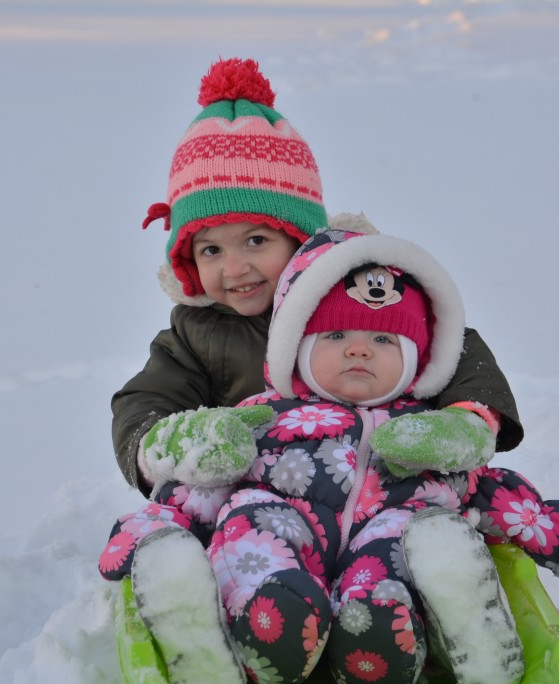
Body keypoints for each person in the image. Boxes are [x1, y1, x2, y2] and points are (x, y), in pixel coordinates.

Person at [101, 230, 559, 684]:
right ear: (295, 349)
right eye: (334, 336)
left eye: (383, 338)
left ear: (416, 361)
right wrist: (157, 523)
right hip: (284, 536)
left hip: (380, 549)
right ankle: (248, 621)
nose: (358, 349)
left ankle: (415, 628)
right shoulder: (264, 413)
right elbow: (204, 481)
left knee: (417, 536)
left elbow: (498, 494)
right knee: (250, 518)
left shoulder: (423, 428)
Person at [108, 57, 523, 499]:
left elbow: (452, 344)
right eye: (211, 250)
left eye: (255, 241)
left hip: (386, 492)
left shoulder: (362, 290)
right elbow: (145, 399)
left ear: (300, 238)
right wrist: (167, 444)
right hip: (261, 507)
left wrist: (466, 419)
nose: (234, 268)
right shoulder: (198, 335)